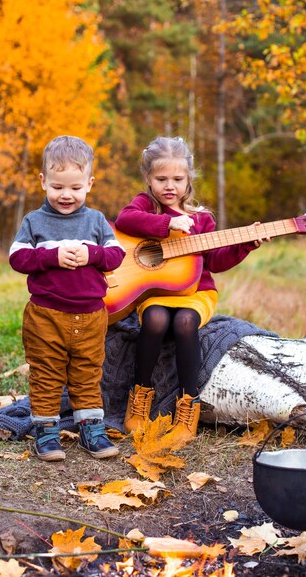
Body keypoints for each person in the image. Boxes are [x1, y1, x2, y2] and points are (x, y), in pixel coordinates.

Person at [115, 136, 269, 442]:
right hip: (157, 290)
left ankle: (189, 405)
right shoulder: (146, 205)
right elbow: (124, 219)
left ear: (189, 180)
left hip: (197, 292)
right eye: (161, 179)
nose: (169, 186)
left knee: (185, 322)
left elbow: (215, 261)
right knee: (156, 319)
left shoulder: (202, 220)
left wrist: (245, 246)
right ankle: (140, 397)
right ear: (148, 179)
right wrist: (166, 226)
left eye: (177, 179)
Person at [9, 135, 125, 462]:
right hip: (46, 315)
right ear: (43, 181)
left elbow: (116, 256)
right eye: (58, 186)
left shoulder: (96, 221)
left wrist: (90, 254)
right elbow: (17, 258)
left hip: (91, 316)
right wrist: (51, 257)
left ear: (89, 184)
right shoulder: (34, 221)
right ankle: (46, 431)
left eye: (75, 187)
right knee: (46, 372)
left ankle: (91, 427)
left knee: (88, 373)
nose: (66, 195)